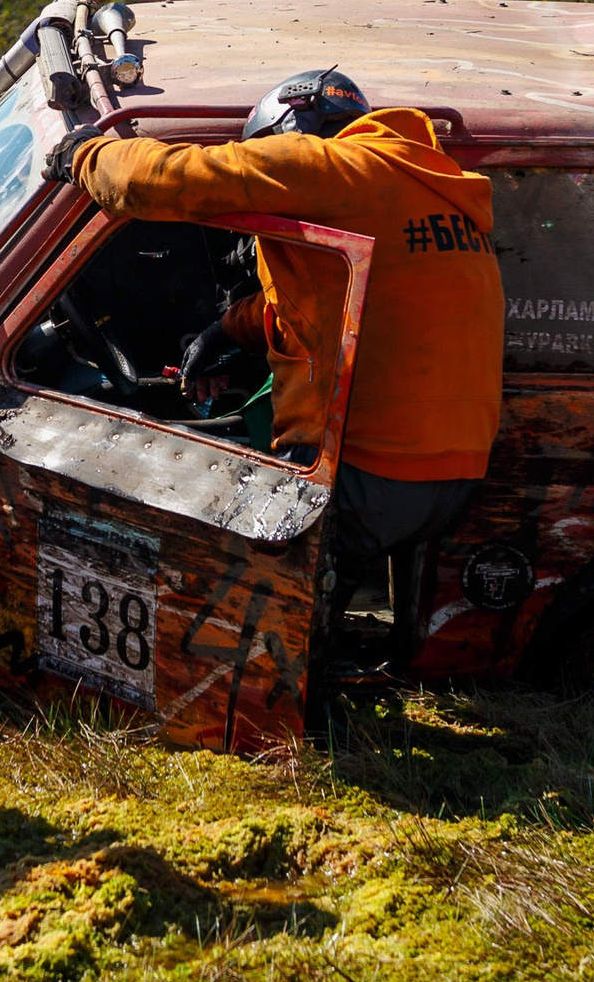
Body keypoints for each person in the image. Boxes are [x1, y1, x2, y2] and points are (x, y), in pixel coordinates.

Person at [48, 69, 504, 635]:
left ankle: (266, 720)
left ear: (294, 129)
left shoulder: (333, 168)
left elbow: (167, 180)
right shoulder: (419, 184)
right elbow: (327, 300)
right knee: (315, 625)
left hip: (366, 472)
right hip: (447, 475)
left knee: (245, 620)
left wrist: (85, 153)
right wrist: (224, 332)